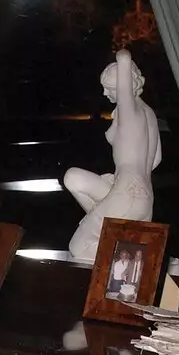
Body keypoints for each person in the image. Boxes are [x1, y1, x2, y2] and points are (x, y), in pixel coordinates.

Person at [63, 47, 163, 263]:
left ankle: (121, 262)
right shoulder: (150, 115)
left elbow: (124, 62)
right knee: (72, 177)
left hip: (126, 195)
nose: (105, 94)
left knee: (77, 247)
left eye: (110, 88)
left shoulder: (130, 111)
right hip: (141, 196)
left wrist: (123, 52)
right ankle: (107, 226)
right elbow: (156, 160)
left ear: (125, 84)